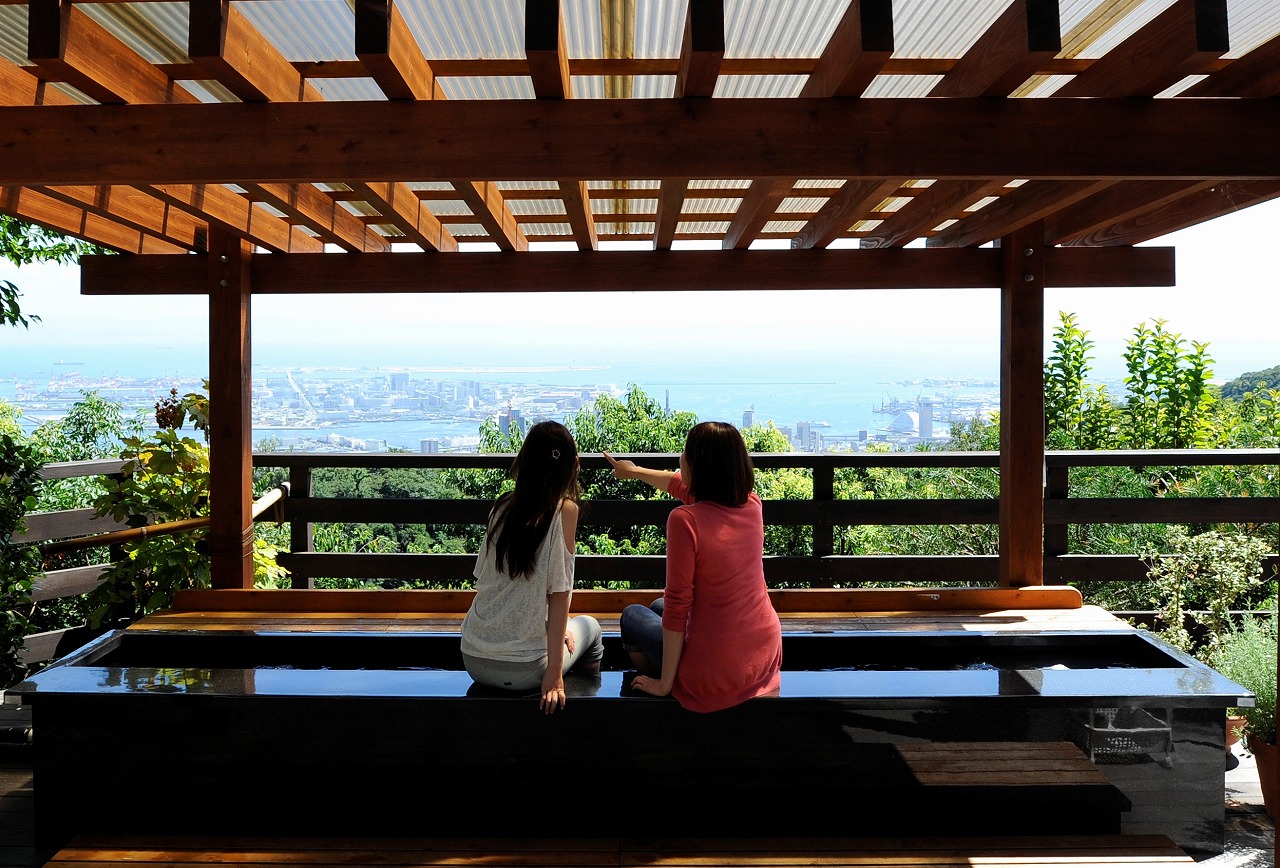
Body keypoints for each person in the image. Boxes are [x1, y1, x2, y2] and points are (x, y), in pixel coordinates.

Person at [604, 421, 782, 713]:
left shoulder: (685, 520)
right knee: (657, 606)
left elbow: (678, 604)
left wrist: (665, 684)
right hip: (761, 657)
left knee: (632, 615)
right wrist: (633, 471)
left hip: (715, 672)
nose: (681, 457)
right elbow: (677, 484)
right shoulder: (752, 503)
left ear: (699, 466)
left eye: (686, 452)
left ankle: (662, 687)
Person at [461, 420, 604, 714]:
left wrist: (553, 629)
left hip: (473, 658)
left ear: (525, 461)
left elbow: (490, 582)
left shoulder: (502, 507)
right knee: (591, 628)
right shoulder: (565, 510)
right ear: (573, 465)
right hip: (526, 669)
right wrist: (554, 674)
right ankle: (587, 713)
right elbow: (560, 594)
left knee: (568, 629)